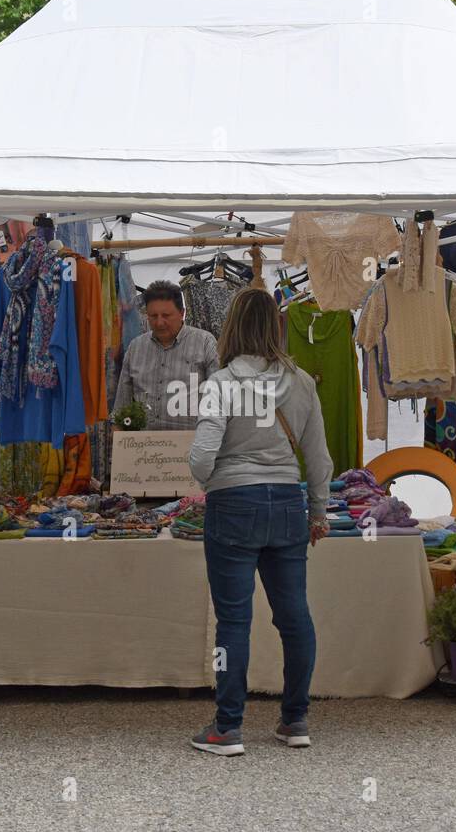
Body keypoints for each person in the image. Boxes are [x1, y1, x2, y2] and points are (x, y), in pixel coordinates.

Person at [187, 288, 333, 755]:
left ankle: (227, 728)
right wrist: (317, 511)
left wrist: (212, 479)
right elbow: (319, 459)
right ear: (277, 326)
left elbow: (202, 456)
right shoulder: (303, 382)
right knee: (294, 616)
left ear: (231, 326)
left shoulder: (222, 382)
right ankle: (295, 720)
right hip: (288, 502)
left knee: (233, 620)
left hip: (233, 503)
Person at [114, 281, 219, 430]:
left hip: (191, 446)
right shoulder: (135, 348)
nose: (159, 322)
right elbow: (121, 410)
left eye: (166, 315)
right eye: (153, 316)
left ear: (182, 313)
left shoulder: (205, 343)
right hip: (142, 448)